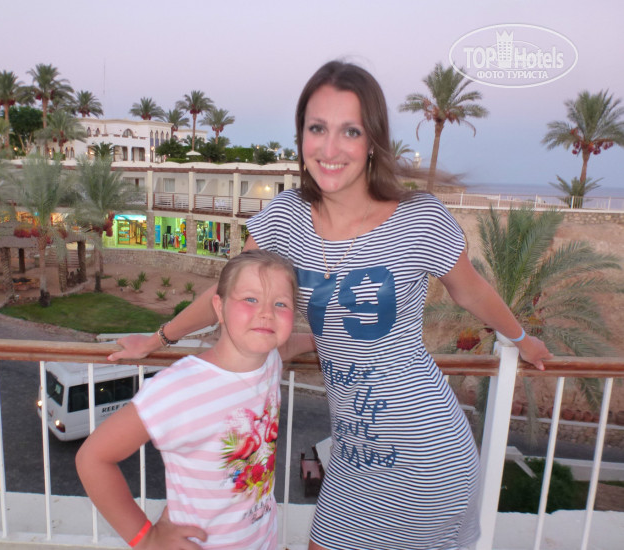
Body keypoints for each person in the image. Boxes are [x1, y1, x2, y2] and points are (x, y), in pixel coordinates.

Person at [108, 61, 552, 550]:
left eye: (350, 131)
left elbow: (471, 291)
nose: (330, 148)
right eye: (317, 128)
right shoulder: (286, 218)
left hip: (428, 452)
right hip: (352, 454)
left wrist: (520, 338)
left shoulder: (419, 218)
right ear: (301, 135)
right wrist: (159, 337)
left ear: (373, 141)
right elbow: (228, 290)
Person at [78, 250, 315, 549]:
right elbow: (92, 458)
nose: (267, 313)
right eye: (250, 299)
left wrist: (320, 342)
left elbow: (285, 347)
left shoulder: (268, 360)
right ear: (219, 307)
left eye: (281, 303)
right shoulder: (180, 387)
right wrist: (146, 538)